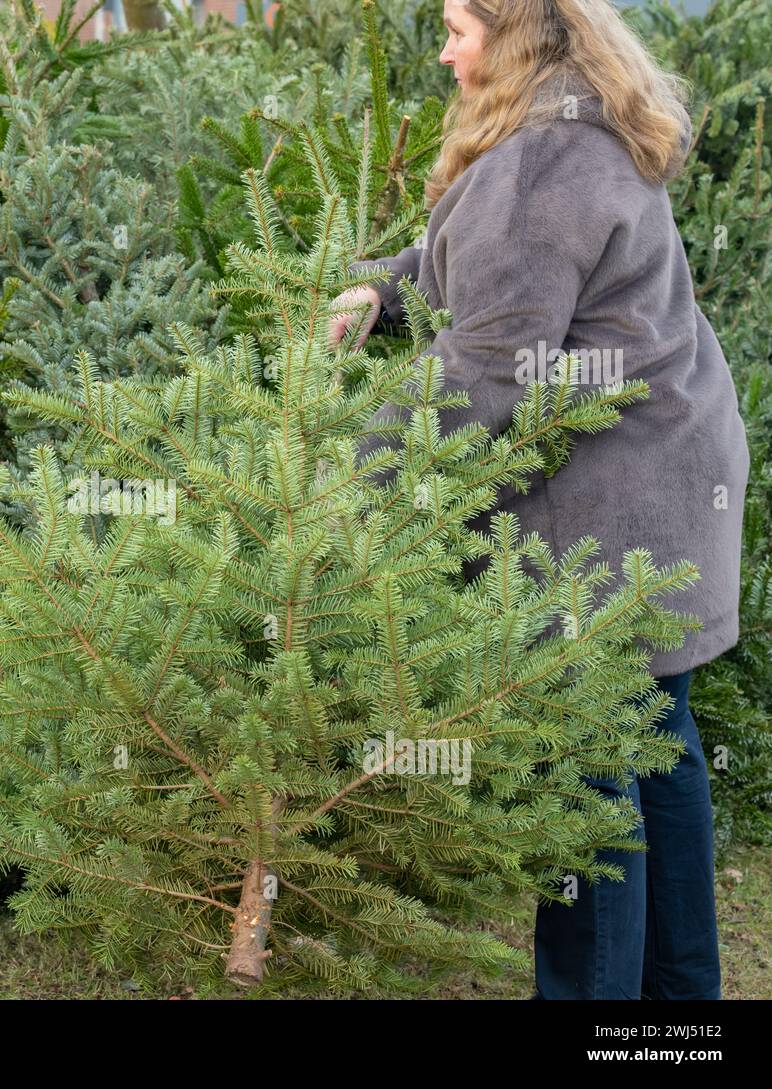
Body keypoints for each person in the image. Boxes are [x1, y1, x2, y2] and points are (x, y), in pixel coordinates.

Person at [328, 0, 749, 1000]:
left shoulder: (534, 163)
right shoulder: (580, 123)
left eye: (458, 30)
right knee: (657, 748)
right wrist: (385, 290)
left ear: (511, 39)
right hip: (667, 485)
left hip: (605, 518)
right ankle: (677, 1010)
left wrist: (348, 480)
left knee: (584, 789)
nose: (444, 51)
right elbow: (491, 276)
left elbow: (484, 368)